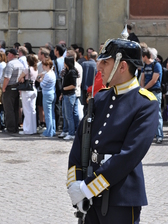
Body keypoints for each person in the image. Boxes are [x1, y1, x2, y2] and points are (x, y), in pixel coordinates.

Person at [67, 38, 159, 224]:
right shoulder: (101, 98)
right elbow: (80, 140)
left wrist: (88, 188)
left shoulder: (145, 103)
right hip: (89, 193)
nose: (99, 66)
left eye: (105, 62)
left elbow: (129, 155)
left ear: (122, 66)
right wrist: (75, 183)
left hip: (121, 197)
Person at [140, 47, 163, 143]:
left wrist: (143, 89)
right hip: (146, 91)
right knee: (146, 114)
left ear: (144, 56)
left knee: (157, 114)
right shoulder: (144, 66)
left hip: (155, 92)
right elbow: (142, 78)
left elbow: (154, 80)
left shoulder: (156, 65)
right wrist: (142, 89)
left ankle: (159, 135)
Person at [2, 48, 24, 133]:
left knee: (8, 109)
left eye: (8, 54)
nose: (7, 56)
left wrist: (4, 88)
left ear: (11, 54)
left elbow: (7, 78)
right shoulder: (20, 63)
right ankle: (15, 127)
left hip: (9, 87)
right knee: (15, 108)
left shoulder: (10, 64)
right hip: (17, 87)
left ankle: (10, 128)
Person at [18, 54, 38, 135]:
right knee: (33, 109)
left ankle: (27, 129)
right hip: (34, 89)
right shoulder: (35, 69)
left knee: (27, 110)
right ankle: (33, 129)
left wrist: (22, 78)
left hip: (27, 90)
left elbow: (19, 78)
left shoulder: (27, 69)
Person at [59, 56, 79, 140]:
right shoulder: (67, 71)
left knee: (69, 115)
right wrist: (62, 93)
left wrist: (64, 89)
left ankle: (71, 133)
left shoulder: (72, 72)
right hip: (65, 95)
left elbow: (73, 85)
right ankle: (65, 130)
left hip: (70, 95)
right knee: (64, 114)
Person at [39, 58, 56, 137]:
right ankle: (52, 130)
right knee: (51, 114)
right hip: (52, 93)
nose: (42, 66)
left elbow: (42, 85)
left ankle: (49, 132)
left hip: (47, 95)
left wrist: (41, 79)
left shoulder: (48, 75)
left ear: (48, 66)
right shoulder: (52, 73)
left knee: (48, 114)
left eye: (44, 65)